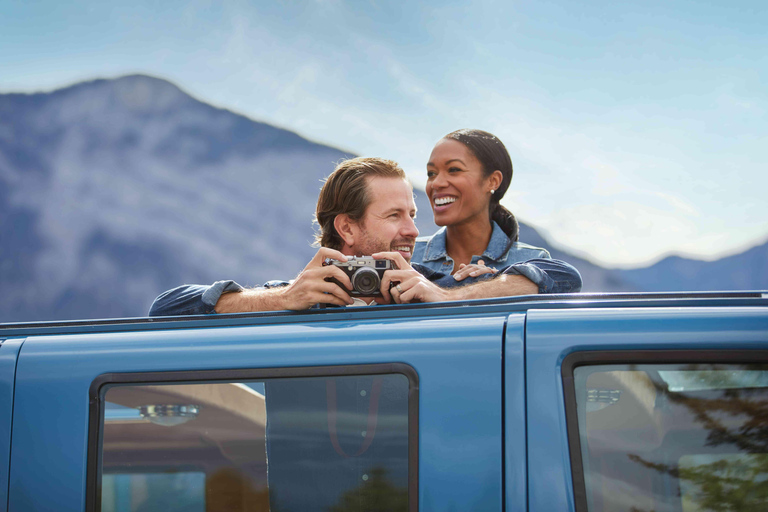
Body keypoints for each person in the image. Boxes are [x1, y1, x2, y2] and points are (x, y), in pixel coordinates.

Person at [149, 157, 580, 317]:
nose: (414, 229)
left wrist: (450, 296)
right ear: (347, 227)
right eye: (395, 215)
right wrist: (278, 300)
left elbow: (560, 277)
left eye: (412, 214)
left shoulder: (438, 293)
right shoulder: (296, 299)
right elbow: (166, 309)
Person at [412, 129, 579, 291]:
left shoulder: (531, 262)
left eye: (454, 170)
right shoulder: (406, 256)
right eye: (431, 173)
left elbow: (569, 281)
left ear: (493, 181)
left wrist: (494, 286)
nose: (436, 183)